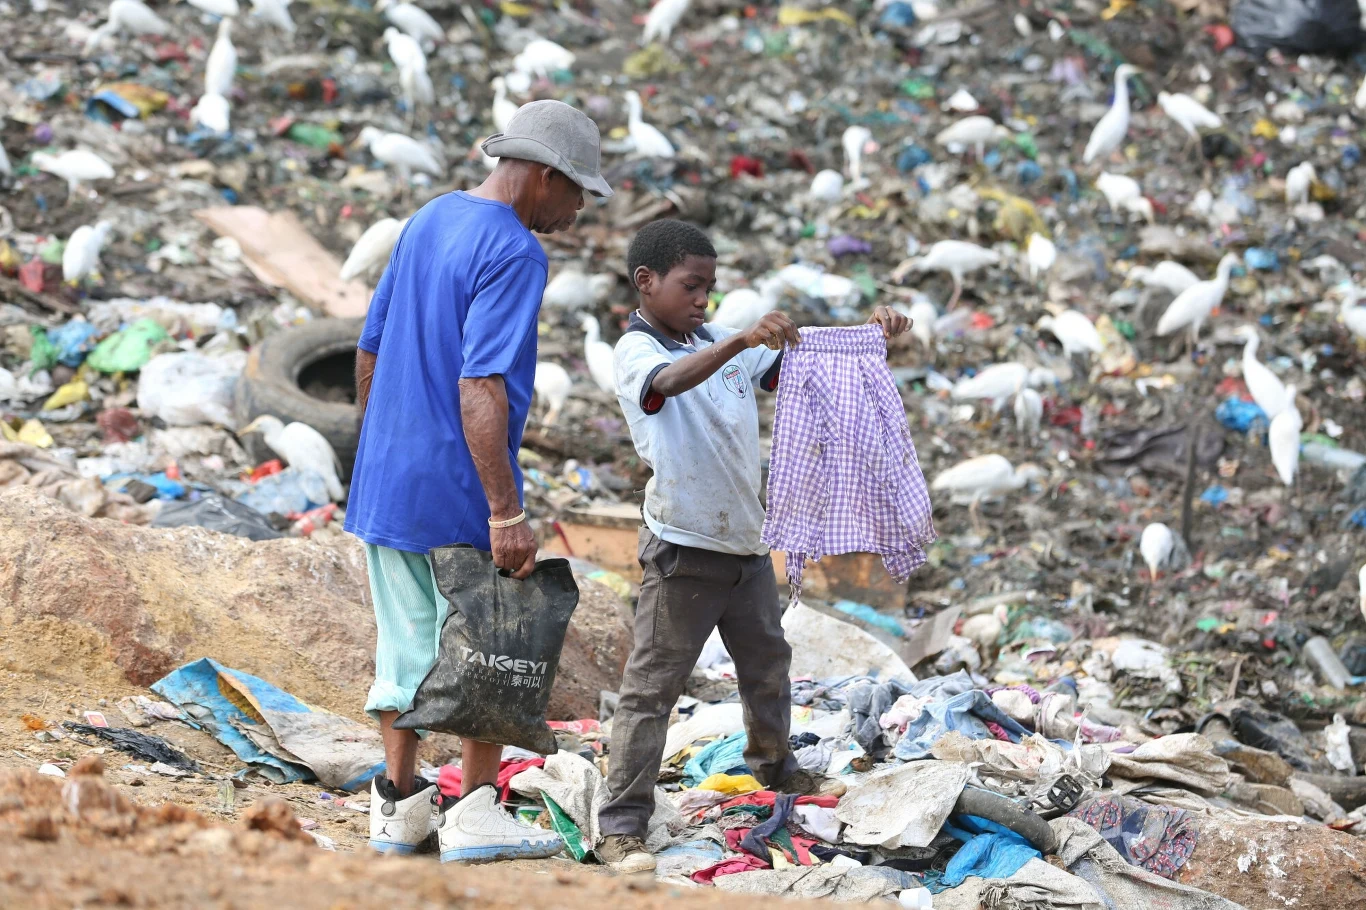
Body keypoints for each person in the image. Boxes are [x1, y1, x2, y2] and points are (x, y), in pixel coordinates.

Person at [597, 220, 911, 873]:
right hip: (685, 547)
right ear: (646, 282)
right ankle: (621, 826)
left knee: (767, 667)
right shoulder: (637, 351)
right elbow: (670, 383)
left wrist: (873, 337)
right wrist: (742, 338)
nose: (703, 300)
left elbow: (806, 371)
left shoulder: (718, 342)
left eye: (710, 287)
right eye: (691, 286)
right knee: (653, 687)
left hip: (745, 544)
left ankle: (778, 773)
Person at [345, 100, 612, 862]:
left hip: (389, 480)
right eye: (577, 191)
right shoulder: (517, 252)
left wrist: (382, 451)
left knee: (404, 644)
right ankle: (476, 812)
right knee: (488, 640)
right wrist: (505, 509)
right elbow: (480, 385)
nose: (578, 208)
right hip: (457, 484)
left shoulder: (429, 218)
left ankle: (397, 809)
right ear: (543, 176)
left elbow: (370, 346)